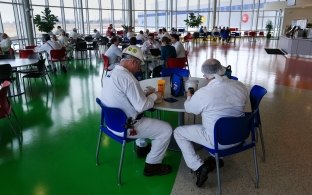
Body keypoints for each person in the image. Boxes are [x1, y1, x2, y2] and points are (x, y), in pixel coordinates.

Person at [174, 59, 248, 187]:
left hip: (218, 140)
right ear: (221, 70)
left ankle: (198, 167)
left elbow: (190, 109)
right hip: (240, 135)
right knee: (220, 121)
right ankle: (217, 159)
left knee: (179, 132)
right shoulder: (240, 86)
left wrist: (190, 96)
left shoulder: (205, 93)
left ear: (206, 76)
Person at [101, 45, 172, 176]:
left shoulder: (110, 73)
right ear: (133, 61)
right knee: (166, 129)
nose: (139, 68)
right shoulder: (128, 78)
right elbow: (141, 106)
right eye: (139, 65)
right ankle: (152, 165)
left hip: (111, 123)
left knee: (140, 115)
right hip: (126, 127)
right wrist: (155, 95)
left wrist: (144, 94)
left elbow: (124, 97)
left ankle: (141, 148)